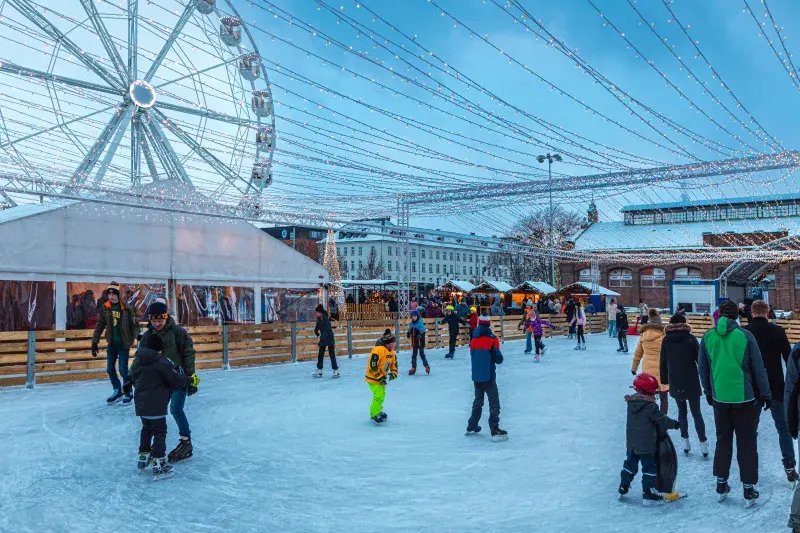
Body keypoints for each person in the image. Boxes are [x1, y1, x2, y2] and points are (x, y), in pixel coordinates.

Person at [699, 299, 771, 506]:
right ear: (737, 316)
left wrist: (709, 392)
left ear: (720, 315)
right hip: (744, 399)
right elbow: (758, 368)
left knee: (723, 440)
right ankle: (748, 488)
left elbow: (703, 368)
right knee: (746, 442)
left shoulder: (708, 337)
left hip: (721, 398)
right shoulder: (745, 336)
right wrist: (765, 393)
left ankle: (721, 483)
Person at [138, 299, 199, 463]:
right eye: (154, 320)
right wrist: (131, 377)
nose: (157, 323)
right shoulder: (148, 335)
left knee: (175, 409)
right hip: (158, 381)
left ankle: (186, 442)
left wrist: (191, 378)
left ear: (166, 317)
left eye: (160, 319)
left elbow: (188, 354)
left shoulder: (178, 332)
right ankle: (156, 446)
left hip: (177, 377)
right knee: (156, 412)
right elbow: (140, 358)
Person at [745, 300, 798, 484]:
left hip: (752, 388)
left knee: (751, 430)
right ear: (768, 313)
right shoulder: (778, 331)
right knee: (783, 429)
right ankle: (790, 468)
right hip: (776, 386)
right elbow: (789, 359)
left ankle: (750, 471)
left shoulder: (745, 333)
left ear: (751, 313)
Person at [128, 334, 189, 479]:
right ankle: (158, 461)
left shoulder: (138, 360)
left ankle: (143, 456)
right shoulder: (162, 362)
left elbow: (132, 377)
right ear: (159, 348)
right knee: (160, 432)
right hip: (156, 405)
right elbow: (175, 380)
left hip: (141, 404)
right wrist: (189, 380)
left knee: (147, 429)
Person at [618, 373, 682, 505]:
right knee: (649, 468)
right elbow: (662, 420)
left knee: (630, 464)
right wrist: (675, 424)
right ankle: (648, 493)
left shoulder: (631, 404)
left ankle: (623, 486)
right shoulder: (651, 407)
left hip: (632, 443)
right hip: (646, 445)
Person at [659, 314, 708, 458]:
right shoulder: (691, 339)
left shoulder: (666, 340)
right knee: (696, 413)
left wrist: (664, 380)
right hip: (691, 379)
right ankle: (703, 444)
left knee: (682, 413)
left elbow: (663, 361)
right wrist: (706, 379)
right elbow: (700, 360)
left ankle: (685, 441)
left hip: (675, 380)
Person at [91, 282, 139, 405]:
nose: (111, 297)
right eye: (109, 294)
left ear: (118, 295)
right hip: (112, 343)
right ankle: (117, 390)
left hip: (123, 343)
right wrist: (94, 342)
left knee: (123, 370)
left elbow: (134, 325)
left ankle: (128, 391)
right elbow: (100, 325)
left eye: (113, 294)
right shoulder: (105, 307)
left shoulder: (127, 308)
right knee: (110, 369)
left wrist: (135, 337)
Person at [465, 313, 507, 440]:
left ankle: (472, 425)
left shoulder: (473, 338)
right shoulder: (492, 338)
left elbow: (473, 354)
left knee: (478, 401)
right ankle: (494, 429)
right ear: (488, 324)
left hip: (476, 376)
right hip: (488, 375)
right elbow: (498, 359)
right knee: (494, 402)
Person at [632, 309, 668, 413]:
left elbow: (638, 353)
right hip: (662, 371)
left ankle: (649, 418)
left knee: (648, 397)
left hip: (647, 371)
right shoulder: (664, 337)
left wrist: (634, 368)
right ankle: (662, 420)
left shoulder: (643, 336)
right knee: (663, 398)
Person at [365, 329, 398, 424]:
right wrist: (379, 377)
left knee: (382, 395)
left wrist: (394, 373)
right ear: (388, 344)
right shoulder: (378, 350)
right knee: (379, 395)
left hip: (381, 378)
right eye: (393, 343)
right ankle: (374, 413)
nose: (394, 345)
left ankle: (378, 410)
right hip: (373, 378)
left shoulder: (391, 352)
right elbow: (373, 365)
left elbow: (394, 364)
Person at [313, 304, 339, 378]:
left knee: (332, 355)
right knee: (320, 354)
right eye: (316, 312)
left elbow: (327, 331)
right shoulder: (319, 318)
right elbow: (318, 325)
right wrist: (316, 331)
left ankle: (335, 370)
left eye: (317, 312)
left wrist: (321, 340)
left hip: (329, 338)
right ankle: (319, 369)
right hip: (324, 337)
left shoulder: (326, 319)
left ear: (320, 312)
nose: (316, 313)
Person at [407, 310, 430, 375]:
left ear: (417, 316)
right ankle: (413, 368)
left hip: (420, 342)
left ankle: (426, 366)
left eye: (415, 316)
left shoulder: (420, 323)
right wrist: (408, 333)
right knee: (414, 355)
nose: (413, 317)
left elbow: (423, 330)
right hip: (414, 342)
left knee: (421, 354)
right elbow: (409, 329)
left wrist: (420, 335)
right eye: (412, 316)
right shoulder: (411, 323)